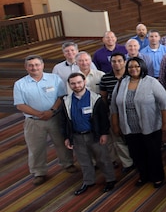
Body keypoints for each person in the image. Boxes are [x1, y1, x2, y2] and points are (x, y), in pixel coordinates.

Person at [14, 55, 76, 184]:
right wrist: (39, 114)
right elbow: (20, 104)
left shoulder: (54, 79)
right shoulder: (20, 84)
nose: (34, 67)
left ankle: (67, 164)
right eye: (31, 65)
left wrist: (51, 111)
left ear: (42, 65)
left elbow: (61, 96)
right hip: (33, 121)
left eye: (37, 64)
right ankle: (39, 172)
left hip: (55, 117)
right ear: (26, 67)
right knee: (36, 148)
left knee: (61, 143)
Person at [110, 57, 166, 188]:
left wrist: (165, 123)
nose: (133, 69)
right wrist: (115, 125)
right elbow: (114, 106)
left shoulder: (151, 82)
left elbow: (164, 103)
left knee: (153, 153)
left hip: (151, 125)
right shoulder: (122, 83)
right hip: (129, 127)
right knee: (137, 154)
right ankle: (144, 175)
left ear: (142, 67)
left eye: (136, 66)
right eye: (130, 67)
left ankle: (157, 177)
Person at [62, 72, 116, 195]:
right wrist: (67, 137)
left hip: (95, 135)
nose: (76, 85)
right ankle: (88, 181)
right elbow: (64, 121)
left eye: (79, 82)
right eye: (73, 83)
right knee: (84, 161)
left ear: (84, 82)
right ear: (69, 85)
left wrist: (104, 133)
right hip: (77, 136)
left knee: (103, 159)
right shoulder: (66, 101)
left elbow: (103, 118)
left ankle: (110, 179)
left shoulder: (95, 98)